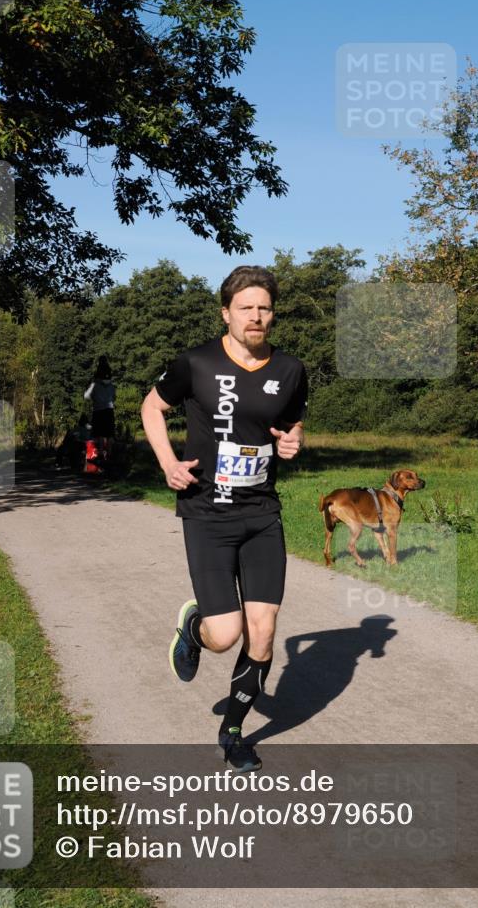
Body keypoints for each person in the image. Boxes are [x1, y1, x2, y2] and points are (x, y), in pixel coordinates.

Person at [141, 265, 308, 772]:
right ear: (226, 313)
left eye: (264, 308)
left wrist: (292, 439)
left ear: (272, 314)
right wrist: (168, 463)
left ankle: (233, 731)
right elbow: (151, 407)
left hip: (261, 513)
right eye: (246, 308)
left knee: (263, 633)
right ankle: (195, 630)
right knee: (226, 634)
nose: (256, 316)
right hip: (207, 513)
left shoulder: (291, 369)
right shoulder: (195, 363)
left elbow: (290, 421)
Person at [84, 356, 116, 461]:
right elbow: (114, 396)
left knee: (100, 433)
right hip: (109, 410)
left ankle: (101, 454)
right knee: (109, 434)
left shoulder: (95, 384)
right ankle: (110, 455)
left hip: (98, 410)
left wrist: (96, 397)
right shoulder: (111, 385)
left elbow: (86, 396)